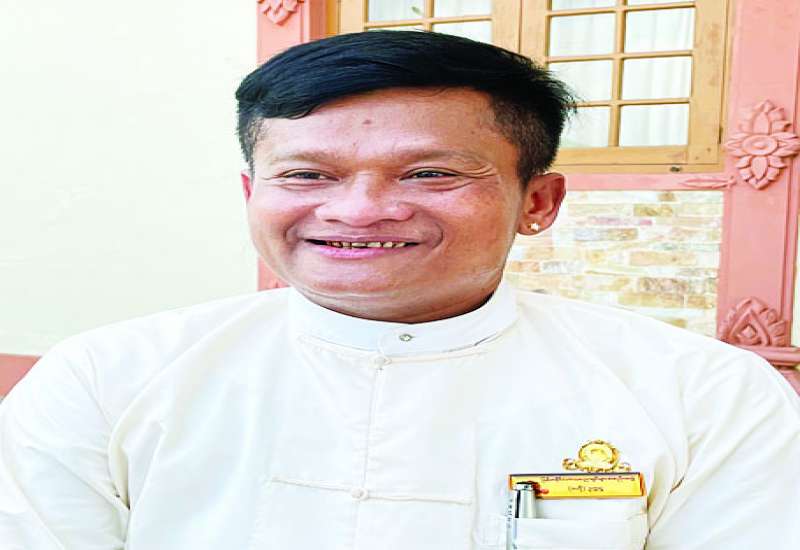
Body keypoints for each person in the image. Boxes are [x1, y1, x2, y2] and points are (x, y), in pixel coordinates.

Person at [1, 30, 798, 550]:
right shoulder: (106, 380)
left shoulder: (704, 397)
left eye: (430, 173)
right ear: (252, 193)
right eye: (307, 175)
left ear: (538, 201)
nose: (358, 211)